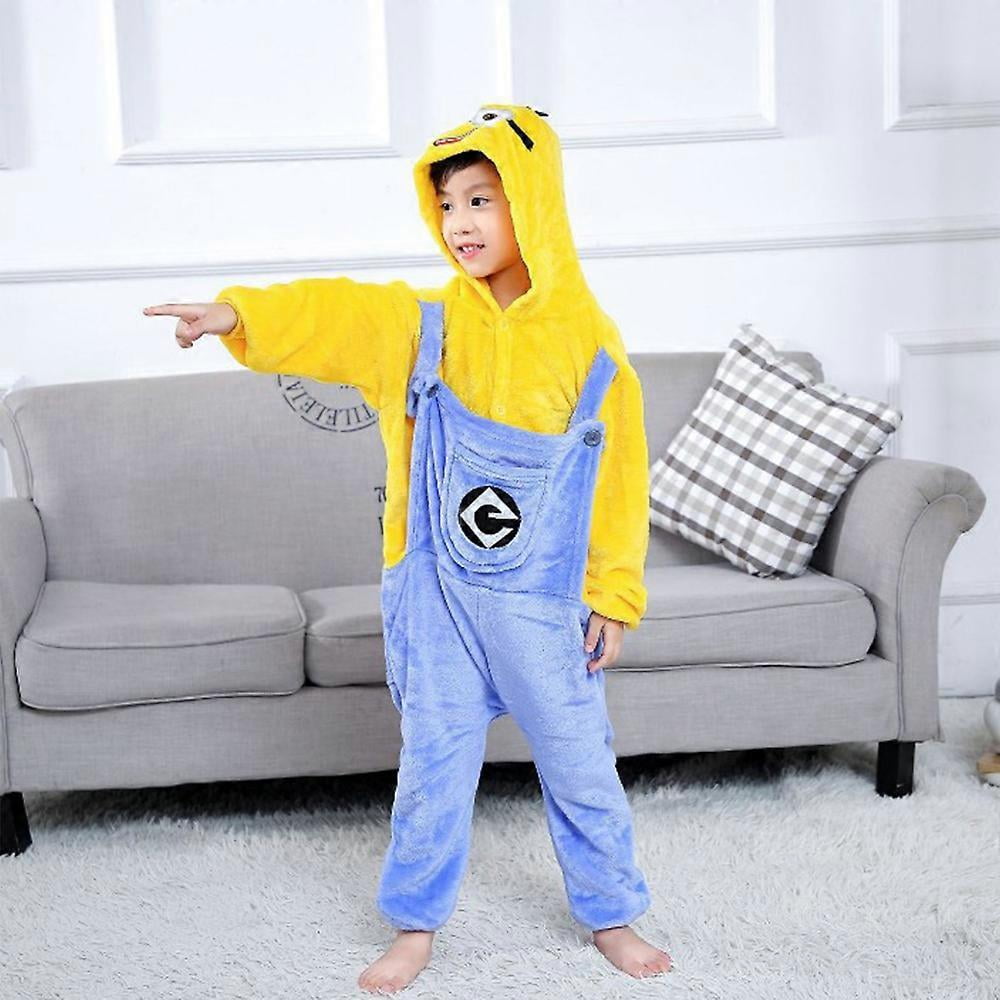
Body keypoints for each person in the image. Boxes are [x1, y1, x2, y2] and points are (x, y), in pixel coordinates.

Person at [143, 103, 672, 993]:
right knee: (432, 768)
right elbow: (334, 313)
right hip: (437, 600)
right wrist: (236, 314)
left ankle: (612, 915)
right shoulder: (422, 326)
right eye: (447, 205)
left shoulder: (590, 343)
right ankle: (415, 926)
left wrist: (614, 594)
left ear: (534, 204)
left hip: (543, 607)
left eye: (482, 200)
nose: (460, 223)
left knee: (581, 762)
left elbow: (619, 478)